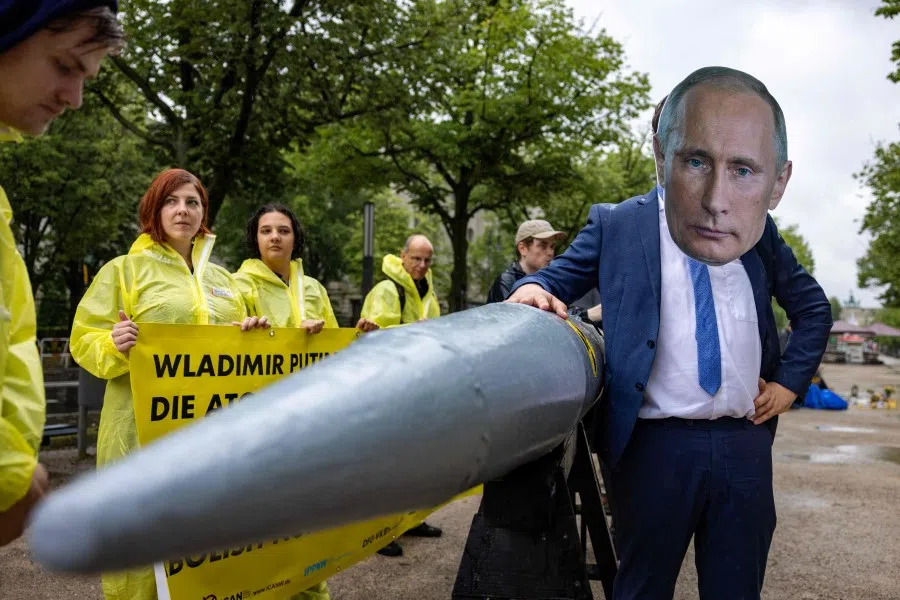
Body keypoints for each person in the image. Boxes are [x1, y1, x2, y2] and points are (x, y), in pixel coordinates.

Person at [506, 66, 833, 599]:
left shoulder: (754, 227)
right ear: (662, 151)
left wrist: (791, 383)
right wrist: (535, 289)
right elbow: (553, 278)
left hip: (742, 441)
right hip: (654, 447)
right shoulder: (617, 223)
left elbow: (812, 307)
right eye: (691, 152)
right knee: (641, 587)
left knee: (735, 588)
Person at [70, 168, 268, 600]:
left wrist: (250, 331)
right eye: (171, 201)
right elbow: (83, 338)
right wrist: (112, 342)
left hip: (209, 435)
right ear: (154, 210)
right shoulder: (124, 270)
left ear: (204, 213)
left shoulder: (223, 280)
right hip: (139, 433)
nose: (183, 210)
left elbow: (243, 344)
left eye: (192, 202)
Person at [0, 0, 124, 547]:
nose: (74, 100)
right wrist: (8, 473)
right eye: (65, 66)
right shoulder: (124, 268)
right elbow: (86, 341)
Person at [359, 234, 443, 556]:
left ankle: (410, 520)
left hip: (416, 385)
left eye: (426, 260)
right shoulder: (386, 290)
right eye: (416, 259)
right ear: (402, 256)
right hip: (387, 387)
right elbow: (374, 338)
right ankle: (378, 533)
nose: (421, 266)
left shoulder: (428, 293)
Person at [487, 219, 602, 326]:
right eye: (543, 245)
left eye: (552, 246)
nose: (550, 252)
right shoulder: (506, 282)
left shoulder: (552, 283)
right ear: (522, 248)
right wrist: (588, 314)